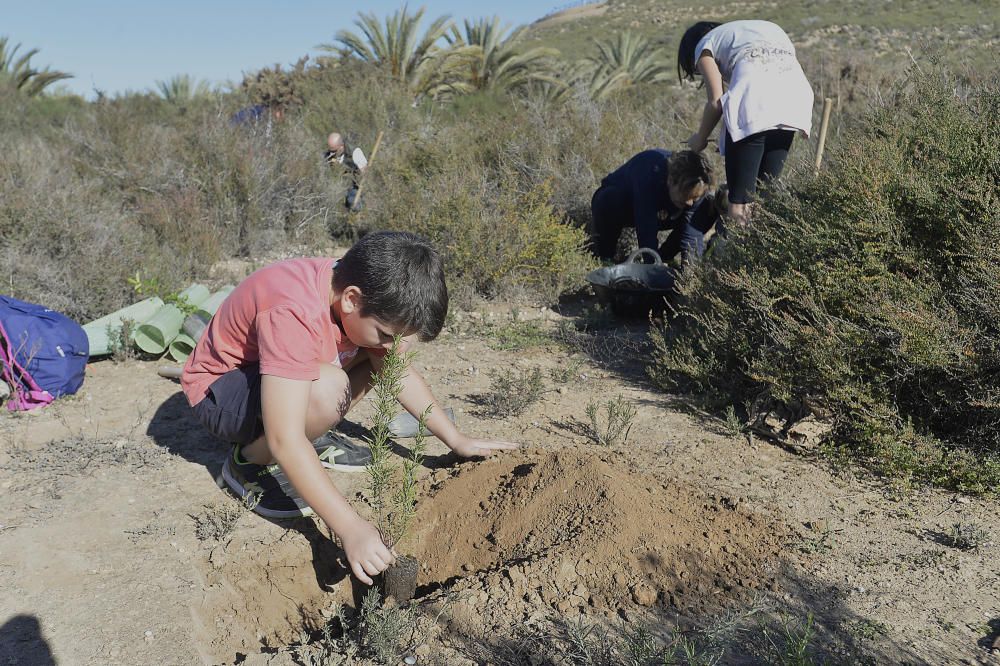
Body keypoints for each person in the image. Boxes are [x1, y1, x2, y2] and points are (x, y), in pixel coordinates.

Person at [181, 231, 518, 585]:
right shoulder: (294, 310)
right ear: (352, 300)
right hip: (220, 393)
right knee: (329, 390)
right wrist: (350, 527)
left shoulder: (358, 296)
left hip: (272, 379)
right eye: (387, 334)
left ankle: (307, 431)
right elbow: (285, 438)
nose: (391, 344)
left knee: (377, 361)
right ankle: (248, 463)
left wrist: (456, 440)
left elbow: (397, 373)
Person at [678, 20, 814, 226]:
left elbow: (716, 102)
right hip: (793, 103)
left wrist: (700, 139)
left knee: (740, 204)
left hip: (753, 103)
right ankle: (762, 252)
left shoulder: (704, 44)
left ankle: (739, 254)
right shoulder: (758, 30)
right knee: (764, 198)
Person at [590, 149, 718, 264]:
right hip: (626, 206)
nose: (690, 203)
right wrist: (651, 266)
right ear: (671, 180)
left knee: (707, 210)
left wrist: (691, 272)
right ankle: (605, 257)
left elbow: (692, 233)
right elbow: (646, 227)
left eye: (694, 198)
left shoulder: (699, 183)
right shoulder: (650, 172)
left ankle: (665, 257)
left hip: (664, 212)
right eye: (686, 195)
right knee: (609, 198)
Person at [324, 132, 368, 210]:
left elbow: (366, 173)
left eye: (334, 151)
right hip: (337, 188)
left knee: (352, 201)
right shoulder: (329, 155)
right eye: (330, 150)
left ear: (341, 147)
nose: (331, 153)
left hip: (354, 187)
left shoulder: (355, 152)